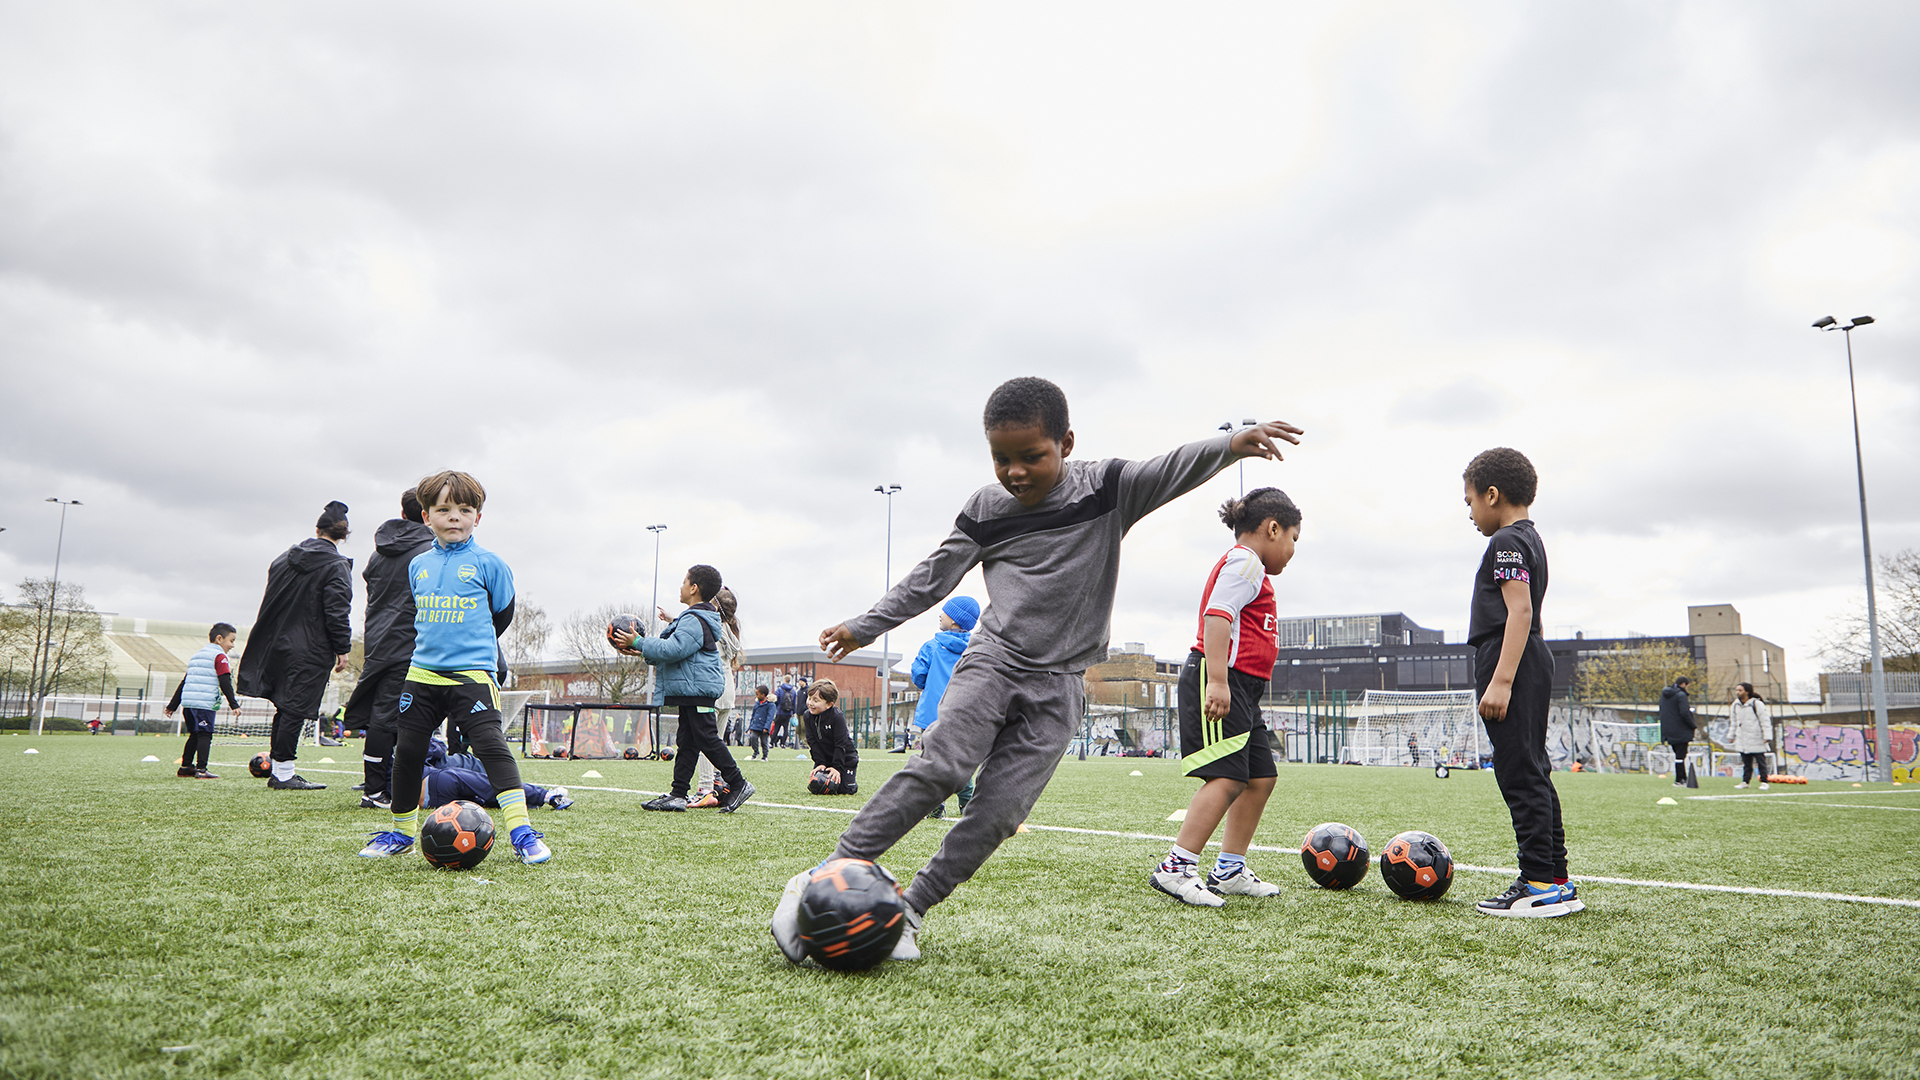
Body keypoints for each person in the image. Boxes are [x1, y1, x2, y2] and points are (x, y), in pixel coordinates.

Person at [770, 376, 1302, 963]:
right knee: (942, 765)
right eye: (1001, 458)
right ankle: (827, 878)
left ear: (1066, 443)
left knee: (1000, 812)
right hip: (993, 663)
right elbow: (933, 575)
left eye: (1032, 456)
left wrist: (1230, 446)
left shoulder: (1107, 488)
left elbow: (1167, 467)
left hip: (1061, 687)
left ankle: (911, 910)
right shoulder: (985, 508)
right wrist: (866, 625)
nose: (1015, 471)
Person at [356, 470, 553, 865]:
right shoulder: (418, 565)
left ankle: (523, 833)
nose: (454, 517)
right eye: (443, 509)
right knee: (407, 752)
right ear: (427, 516)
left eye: (464, 510)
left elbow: (502, 614)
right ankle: (400, 834)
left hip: (472, 675)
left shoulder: (490, 563)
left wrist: (471, 649)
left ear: (477, 517)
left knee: (492, 748)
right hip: (423, 673)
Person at [1151, 488, 1301, 907]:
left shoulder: (1253, 568)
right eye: (1292, 538)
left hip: (1242, 688)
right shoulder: (1246, 562)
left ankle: (1230, 868)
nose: (1292, 550)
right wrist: (1217, 681)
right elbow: (1217, 616)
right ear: (1273, 529)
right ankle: (1176, 868)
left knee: (1260, 777)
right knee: (1228, 777)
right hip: (1220, 680)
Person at [1463, 448, 1582, 918]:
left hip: (1511, 656)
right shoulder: (1531, 539)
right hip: (1530, 654)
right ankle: (1555, 879)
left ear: (1492, 495)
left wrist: (1502, 680)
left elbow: (1521, 610)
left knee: (1519, 772)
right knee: (1535, 769)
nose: (1469, 512)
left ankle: (1536, 884)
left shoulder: (1506, 541)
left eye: (1470, 500)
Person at [612, 565, 755, 814]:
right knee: (687, 741)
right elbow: (673, 651)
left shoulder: (695, 618)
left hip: (698, 689)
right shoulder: (693, 617)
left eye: (683, 581)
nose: (680, 587)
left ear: (693, 588)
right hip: (692, 689)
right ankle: (678, 794)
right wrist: (642, 648)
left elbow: (673, 649)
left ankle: (739, 783)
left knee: (706, 737)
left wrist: (638, 641)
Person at [237, 500, 354, 791]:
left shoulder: (283, 558)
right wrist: (342, 648)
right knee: (294, 710)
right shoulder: (336, 565)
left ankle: (280, 769)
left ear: (317, 530)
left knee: (284, 708)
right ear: (343, 535)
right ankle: (284, 774)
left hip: (275, 643)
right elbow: (337, 610)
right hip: (310, 647)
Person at [341, 487, 435, 811]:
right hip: (409, 642)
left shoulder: (379, 552)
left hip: (378, 639)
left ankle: (379, 782)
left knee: (386, 714)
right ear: (426, 513)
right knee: (392, 716)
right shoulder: (429, 550)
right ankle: (376, 789)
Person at [910, 596, 980, 818]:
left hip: (932, 713)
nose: (940, 615)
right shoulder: (975, 650)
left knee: (930, 760)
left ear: (955, 621)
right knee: (960, 759)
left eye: (945, 612)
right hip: (964, 714)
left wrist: (931, 684)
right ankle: (967, 803)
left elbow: (918, 676)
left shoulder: (932, 646)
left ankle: (934, 806)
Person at [165, 623, 243, 779]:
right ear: (219, 639)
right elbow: (225, 680)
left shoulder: (197, 656)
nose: (232, 645)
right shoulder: (219, 656)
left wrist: (172, 706)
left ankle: (185, 767)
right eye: (231, 640)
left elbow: (184, 682)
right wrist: (234, 704)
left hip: (188, 704)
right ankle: (201, 770)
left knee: (194, 734)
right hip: (204, 703)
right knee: (205, 734)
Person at [691, 587, 745, 807]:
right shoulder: (732, 628)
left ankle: (705, 789)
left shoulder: (712, 626)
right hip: (728, 690)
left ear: (714, 607)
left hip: (713, 689)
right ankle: (714, 783)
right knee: (717, 741)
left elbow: (690, 633)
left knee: (706, 742)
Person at [421, 739, 573, 811]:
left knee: (482, 795)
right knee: (488, 784)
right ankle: (548, 796)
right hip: (433, 782)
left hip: (429, 795)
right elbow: (435, 748)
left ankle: (530, 800)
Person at [802, 679, 858, 794]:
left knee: (844, 789)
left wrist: (836, 767)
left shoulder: (837, 717)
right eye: (809, 698)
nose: (810, 703)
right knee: (818, 786)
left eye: (816, 700)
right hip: (825, 758)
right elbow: (812, 742)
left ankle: (849, 780)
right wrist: (820, 763)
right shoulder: (807, 716)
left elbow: (840, 744)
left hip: (844, 758)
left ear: (829, 704)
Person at [1728, 682, 1772, 790]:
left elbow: (1765, 721)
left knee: (1760, 761)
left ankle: (1764, 781)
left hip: (1756, 736)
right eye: (1737, 690)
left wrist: (1767, 736)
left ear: (1747, 692)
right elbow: (1733, 721)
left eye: (1740, 690)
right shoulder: (1735, 705)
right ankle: (1745, 781)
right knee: (1746, 762)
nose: (1737, 692)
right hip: (1742, 738)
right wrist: (1731, 735)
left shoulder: (1757, 704)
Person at [1659, 675, 1699, 788]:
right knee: (1681, 756)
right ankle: (1680, 779)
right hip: (1680, 730)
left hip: (1669, 730)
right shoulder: (1681, 695)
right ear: (1684, 684)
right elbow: (1684, 712)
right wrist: (1692, 725)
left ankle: (1682, 778)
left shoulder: (1664, 696)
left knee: (1678, 755)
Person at [747, 686, 775, 760]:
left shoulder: (771, 705)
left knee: (764, 742)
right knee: (753, 737)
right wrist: (751, 726)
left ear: (763, 695)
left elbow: (770, 717)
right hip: (755, 725)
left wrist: (766, 727)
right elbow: (753, 715)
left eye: (757, 694)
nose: (756, 696)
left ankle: (765, 756)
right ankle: (756, 752)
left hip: (764, 727)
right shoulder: (757, 703)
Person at [771, 675, 796, 750]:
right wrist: (793, 712)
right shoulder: (793, 690)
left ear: (784, 680)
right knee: (786, 728)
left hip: (780, 711)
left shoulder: (780, 689)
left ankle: (772, 743)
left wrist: (776, 707)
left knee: (776, 728)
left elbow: (776, 699)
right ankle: (783, 744)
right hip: (788, 713)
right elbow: (794, 702)